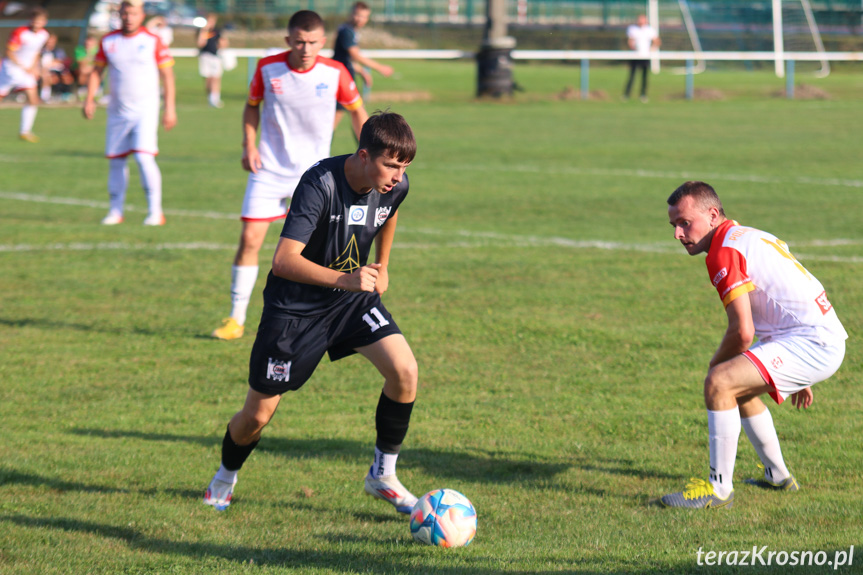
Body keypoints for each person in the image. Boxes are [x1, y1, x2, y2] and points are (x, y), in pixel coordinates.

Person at [204, 111, 419, 516]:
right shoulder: (319, 185)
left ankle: (383, 475)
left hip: (350, 300)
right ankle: (225, 476)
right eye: (390, 165)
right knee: (258, 414)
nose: (397, 176)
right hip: (295, 311)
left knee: (405, 372)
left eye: (403, 167)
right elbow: (283, 260)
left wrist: (383, 264)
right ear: (363, 154)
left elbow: (390, 211)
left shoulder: (395, 183)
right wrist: (346, 280)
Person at [661, 181, 848, 509]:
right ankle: (778, 477)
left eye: (684, 223)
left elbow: (743, 331)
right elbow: (784, 299)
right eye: (674, 225)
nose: (678, 234)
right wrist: (796, 369)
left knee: (720, 381)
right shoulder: (748, 235)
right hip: (815, 337)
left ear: (713, 214)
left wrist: (716, 366)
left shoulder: (723, 252)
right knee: (739, 388)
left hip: (810, 342)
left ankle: (718, 490)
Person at [211, 10, 369, 341]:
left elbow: (357, 111)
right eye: (299, 41)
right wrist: (249, 145)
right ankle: (235, 318)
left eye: (312, 42)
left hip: (316, 176)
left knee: (316, 252)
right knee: (250, 240)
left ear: (323, 42)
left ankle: (319, 318)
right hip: (269, 168)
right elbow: (252, 105)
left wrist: (366, 153)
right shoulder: (268, 68)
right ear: (288, 40)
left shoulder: (336, 72)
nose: (306, 48)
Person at [83, 0, 177, 226]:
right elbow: (97, 72)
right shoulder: (109, 41)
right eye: (125, 13)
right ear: (119, 14)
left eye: (133, 13)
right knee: (116, 161)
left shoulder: (153, 41)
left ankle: (155, 211)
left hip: (146, 109)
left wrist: (170, 108)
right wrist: (89, 99)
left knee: (144, 158)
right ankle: (116, 211)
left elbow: (167, 76)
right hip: (117, 111)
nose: (128, 17)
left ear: (141, 15)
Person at [332, 1, 393, 130]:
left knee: (357, 112)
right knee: (351, 113)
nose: (360, 19)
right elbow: (355, 55)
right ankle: (368, 146)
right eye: (358, 15)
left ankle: (366, 145)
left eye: (364, 16)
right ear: (351, 14)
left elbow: (345, 59)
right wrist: (380, 67)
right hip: (341, 79)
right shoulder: (346, 32)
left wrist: (362, 72)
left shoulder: (350, 31)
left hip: (345, 76)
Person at [0, 7, 50, 142]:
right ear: (30, 20)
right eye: (34, 21)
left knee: (33, 99)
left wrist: (35, 68)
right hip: (11, 69)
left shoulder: (44, 35)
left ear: (44, 22)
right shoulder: (20, 32)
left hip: (26, 70)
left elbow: (36, 53)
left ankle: (25, 132)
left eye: (40, 21)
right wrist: (23, 66)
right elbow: (9, 52)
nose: (36, 24)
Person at [623, 14, 659, 103]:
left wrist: (652, 49)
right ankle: (626, 94)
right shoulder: (632, 29)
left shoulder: (650, 30)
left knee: (644, 76)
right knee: (632, 75)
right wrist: (633, 47)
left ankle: (643, 94)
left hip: (645, 56)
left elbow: (657, 41)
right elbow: (630, 41)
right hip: (635, 55)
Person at [197, 13, 227, 108]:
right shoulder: (202, 31)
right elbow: (200, 43)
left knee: (216, 77)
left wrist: (221, 46)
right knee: (208, 78)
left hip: (215, 57)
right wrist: (204, 30)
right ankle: (210, 97)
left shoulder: (217, 31)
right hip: (205, 56)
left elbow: (223, 42)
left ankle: (215, 98)